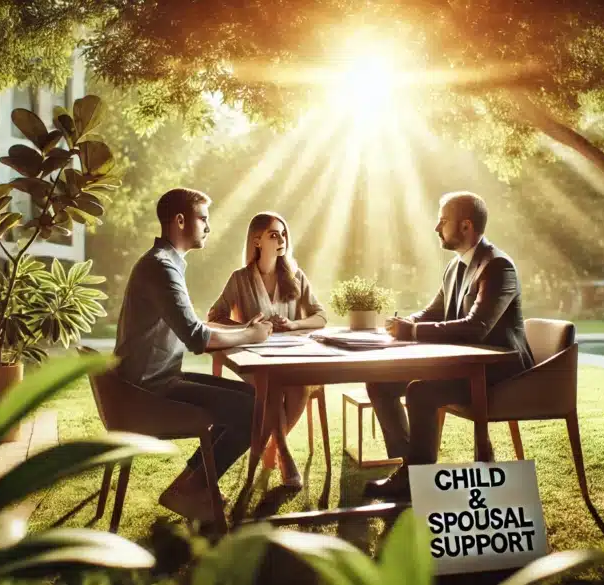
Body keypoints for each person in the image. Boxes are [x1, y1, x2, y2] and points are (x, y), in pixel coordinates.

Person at [114, 187, 273, 522]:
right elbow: (196, 338)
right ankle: (190, 488)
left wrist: (243, 329)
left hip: (153, 379)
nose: (208, 227)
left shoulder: (166, 263)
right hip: (147, 389)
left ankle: (192, 484)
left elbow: (193, 325)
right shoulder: (162, 267)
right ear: (180, 221)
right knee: (256, 408)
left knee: (252, 397)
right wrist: (251, 334)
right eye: (203, 218)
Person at [363, 191, 535, 499]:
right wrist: (398, 326)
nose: (436, 228)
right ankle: (412, 468)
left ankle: (415, 478)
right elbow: (433, 312)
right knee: (379, 382)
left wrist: (413, 331)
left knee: (421, 391)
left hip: (500, 373)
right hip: (465, 367)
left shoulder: (498, 267)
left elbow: (476, 328)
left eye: (442, 221)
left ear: (466, 226)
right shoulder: (455, 267)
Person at [207, 211, 327, 488]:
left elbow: (320, 316)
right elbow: (215, 315)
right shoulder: (240, 279)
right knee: (272, 383)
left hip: (291, 356)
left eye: (283, 234)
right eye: (274, 235)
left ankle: (272, 447)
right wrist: (246, 326)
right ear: (257, 241)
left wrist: (294, 323)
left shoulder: (295, 276)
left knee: (299, 385)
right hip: (256, 360)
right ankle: (284, 454)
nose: (281, 239)